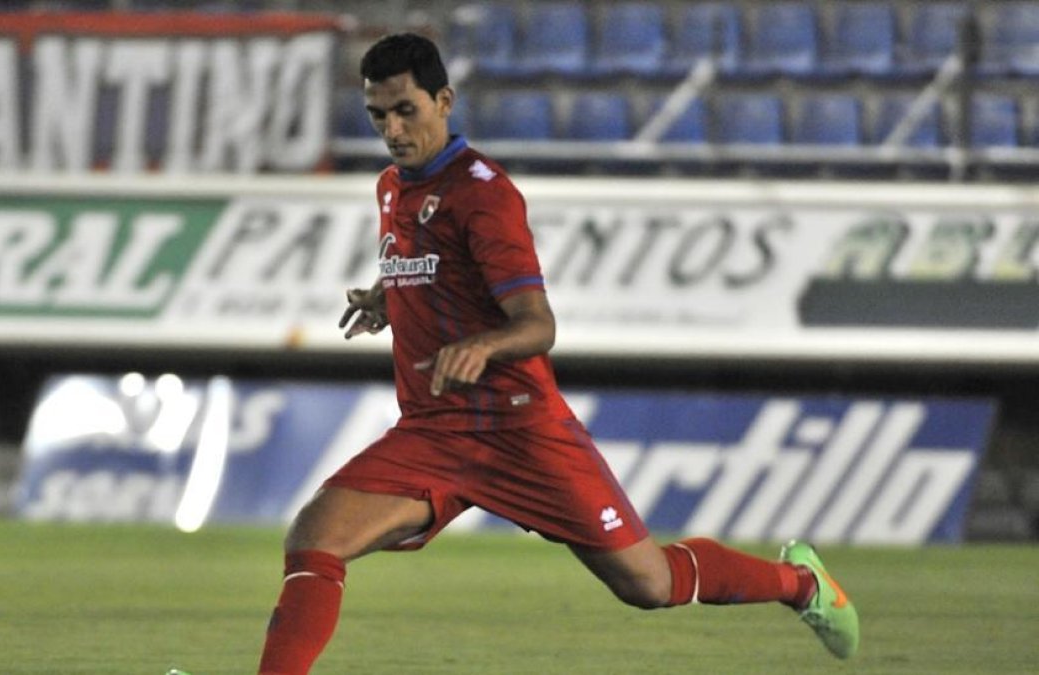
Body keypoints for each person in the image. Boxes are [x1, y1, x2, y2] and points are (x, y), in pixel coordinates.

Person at [255, 33, 859, 674]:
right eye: (379, 115)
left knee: (648, 584)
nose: (393, 129)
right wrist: (387, 294)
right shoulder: (390, 187)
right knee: (315, 539)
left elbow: (537, 325)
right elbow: (435, 264)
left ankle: (802, 585)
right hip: (435, 432)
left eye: (407, 110)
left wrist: (484, 345)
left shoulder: (485, 194)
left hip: (521, 431)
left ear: (444, 100)